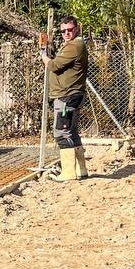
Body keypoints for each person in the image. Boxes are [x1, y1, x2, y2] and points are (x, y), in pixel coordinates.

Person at [41, 16, 89, 181]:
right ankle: (81, 170)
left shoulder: (74, 46)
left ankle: (68, 173)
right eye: (63, 31)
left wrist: (44, 56)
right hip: (71, 95)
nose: (66, 33)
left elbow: (54, 65)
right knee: (71, 132)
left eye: (70, 29)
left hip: (66, 97)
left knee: (61, 132)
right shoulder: (72, 45)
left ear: (77, 29)